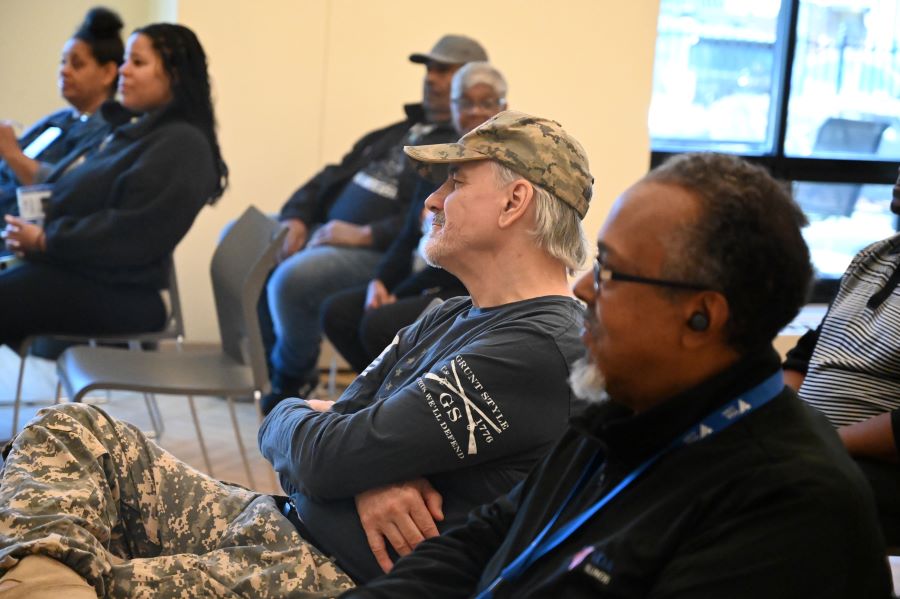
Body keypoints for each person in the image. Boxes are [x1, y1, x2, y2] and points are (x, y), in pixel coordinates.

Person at [0, 110, 591, 597]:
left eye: (456, 183)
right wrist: (361, 474)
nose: (431, 202)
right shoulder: (447, 312)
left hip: (320, 573)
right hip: (281, 519)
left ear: (515, 203)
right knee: (73, 430)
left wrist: (342, 454)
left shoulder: (537, 350)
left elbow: (325, 456)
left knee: (111, 582)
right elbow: (291, 423)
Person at [344, 152, 891, 599]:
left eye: (610, 271)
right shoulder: (621, 413)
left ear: (701, 316)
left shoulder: (789, 507)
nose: (584, 288)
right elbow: (485, 539)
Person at [261, 34, 487, 411]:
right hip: (327, 228)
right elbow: (333, 173)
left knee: (293, 278)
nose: (431, 78)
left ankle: (291, 379)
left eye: (443, 70)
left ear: (472, 80)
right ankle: (268, 369)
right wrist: (297, 215)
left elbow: (428, 216)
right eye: (429, 69)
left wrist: (366, 234)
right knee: (263, 236)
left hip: (376, 251)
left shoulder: (460, 146)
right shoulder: (400, 130)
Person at [0, 23, 227, 350]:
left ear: (175, 74)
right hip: (88, 272)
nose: (123, 71)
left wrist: (46, 240)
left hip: (121, 293)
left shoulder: (181, 145)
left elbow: (129, 234)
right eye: (125, 61)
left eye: (137, 62)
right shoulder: (140, 131)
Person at [321, 61, 508, 373]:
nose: (475, 111)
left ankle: (395, 398)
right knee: (337, 312)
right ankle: (377, 394)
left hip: (463, 286)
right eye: (465, 101)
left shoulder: (500, 172)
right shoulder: (437, 160)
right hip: (420, 275)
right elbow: (408, 234)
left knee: (378, 325)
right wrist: (381, 281)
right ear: (452, 106)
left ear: (503, 107)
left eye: (486, 102)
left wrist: (400, 293)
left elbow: (461, 256)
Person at [782, 169, 900, 547]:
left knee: (767, 491)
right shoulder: (873, 255)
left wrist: (822, 441)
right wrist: (777, 421)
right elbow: (808, 353)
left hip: (876, 469)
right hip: (814, 447)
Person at [0, 7, 124, 216]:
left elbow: (71, 187)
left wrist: (12, 154)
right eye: (63, 61)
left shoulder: (114, 131)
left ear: (108, 73)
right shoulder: (57, 121)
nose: (64, 71)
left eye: (77, 64)